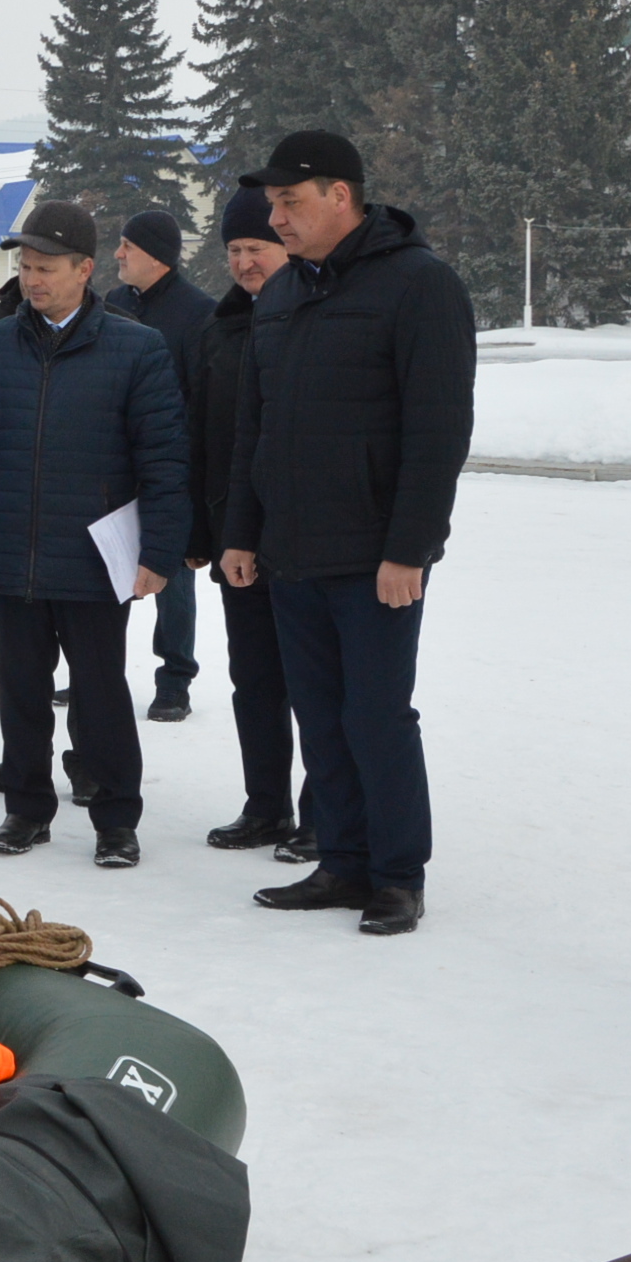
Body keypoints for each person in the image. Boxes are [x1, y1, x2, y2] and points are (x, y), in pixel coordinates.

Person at [218, 131, 474, 936]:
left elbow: (438, 431)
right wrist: (241, 533)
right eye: (272, 206)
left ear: (341, 195)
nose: (277, 218)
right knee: (320, 715)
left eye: (290, 203)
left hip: (374, 557)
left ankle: (397, 873)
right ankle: (341, 859)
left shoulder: (419, 286)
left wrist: (411, 548)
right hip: (292, 548)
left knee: (376, 714)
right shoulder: (285, 295)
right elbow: (254, 429)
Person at [0, 200, 187, 866]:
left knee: (101, 693)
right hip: (12, 555)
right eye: (26, 266)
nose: (33, 278)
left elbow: (164, 461)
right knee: (20, 688)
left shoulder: (136, 349)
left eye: (46, 267)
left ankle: (115, 820)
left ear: (85, 270)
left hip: (96, 560)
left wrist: (159, 552)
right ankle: (26, 809)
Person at [186, 188, 314, 859]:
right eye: (233, 250)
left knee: (319, 685)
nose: (243, 263)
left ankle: (325, 814)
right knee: (255, 682)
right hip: (239, 542)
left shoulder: (315, 317)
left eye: (254, 248)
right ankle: (267, 806)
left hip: (308, 542)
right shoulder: (221, 330)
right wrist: (199, 534)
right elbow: (202, 438)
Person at [105, 210, 216, 723]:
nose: (118, 255)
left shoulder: (198, 314)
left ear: (156, 254)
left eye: (127, 246)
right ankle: (97, 671)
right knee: (108, 573)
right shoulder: (113, 304)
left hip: (173, 468)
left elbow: (203, 401)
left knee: (171, 577)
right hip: (115, 467)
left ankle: (175, 680)